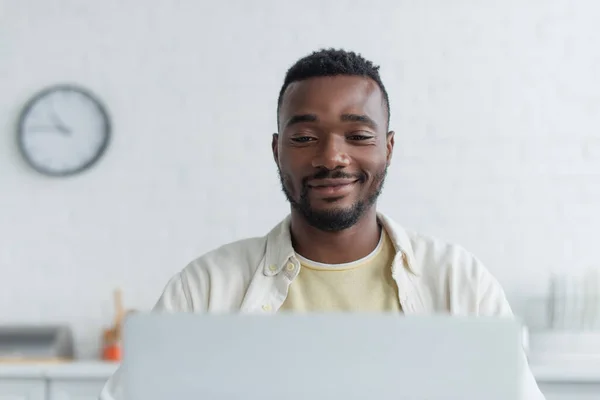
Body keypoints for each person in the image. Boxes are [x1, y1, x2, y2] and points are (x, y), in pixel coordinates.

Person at [99, 48, 545, 399]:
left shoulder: (458, 280)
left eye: (359, 136)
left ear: (388, 148)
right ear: (277, 150)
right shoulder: (206, 287)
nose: (332, 157)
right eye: (305, 138)